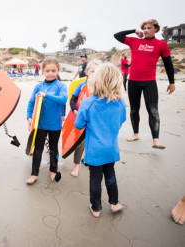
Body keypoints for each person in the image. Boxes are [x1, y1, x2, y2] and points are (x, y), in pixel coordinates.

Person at [114, 19, 175, 149]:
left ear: (156, 29)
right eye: (144, 28)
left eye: (149, 28)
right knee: (134, 109)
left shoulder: (162, 44)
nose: (146, 30)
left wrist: (172, 82)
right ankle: (135, 134)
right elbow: (117, 35)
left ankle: (156, 140)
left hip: (149, 82)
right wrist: (133, 31)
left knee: (153, 110)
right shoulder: (135, 41)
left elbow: (168, 64)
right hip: (133, 82)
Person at [74, 62, 126, 218]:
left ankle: (96, 208)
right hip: (111, 148)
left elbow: (78, 125)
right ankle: (114, 203)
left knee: (95, 178)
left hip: (94, 150)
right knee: (110, 174)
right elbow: (121, 121)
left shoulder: (88, 103)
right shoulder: (121, 103)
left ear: (95, 81)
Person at [26, 58, 68, 185]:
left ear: (58, 71)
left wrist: (46, 95)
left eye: (53, 70)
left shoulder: (61, 85)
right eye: (48, 70)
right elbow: (31, 102)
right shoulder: (38, 86)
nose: (50, 73)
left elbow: (63, 100)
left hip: (55, 124)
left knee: (53, 148)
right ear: (42, 71)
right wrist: (29, 117)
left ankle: (53, 170)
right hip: (40, 124)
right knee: (38, 149)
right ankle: (34, 174)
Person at [69, 59, 102, 178]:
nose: (95, 73)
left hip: (95, 121)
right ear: (87, 72)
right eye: (92, 71)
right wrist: (75, 111)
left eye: (97, 71)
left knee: (92, 142)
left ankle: (88, 160)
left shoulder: (101, 87)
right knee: (80, 144)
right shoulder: (82, 85)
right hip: (81, 118)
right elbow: (72, 100)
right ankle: (76, 167)